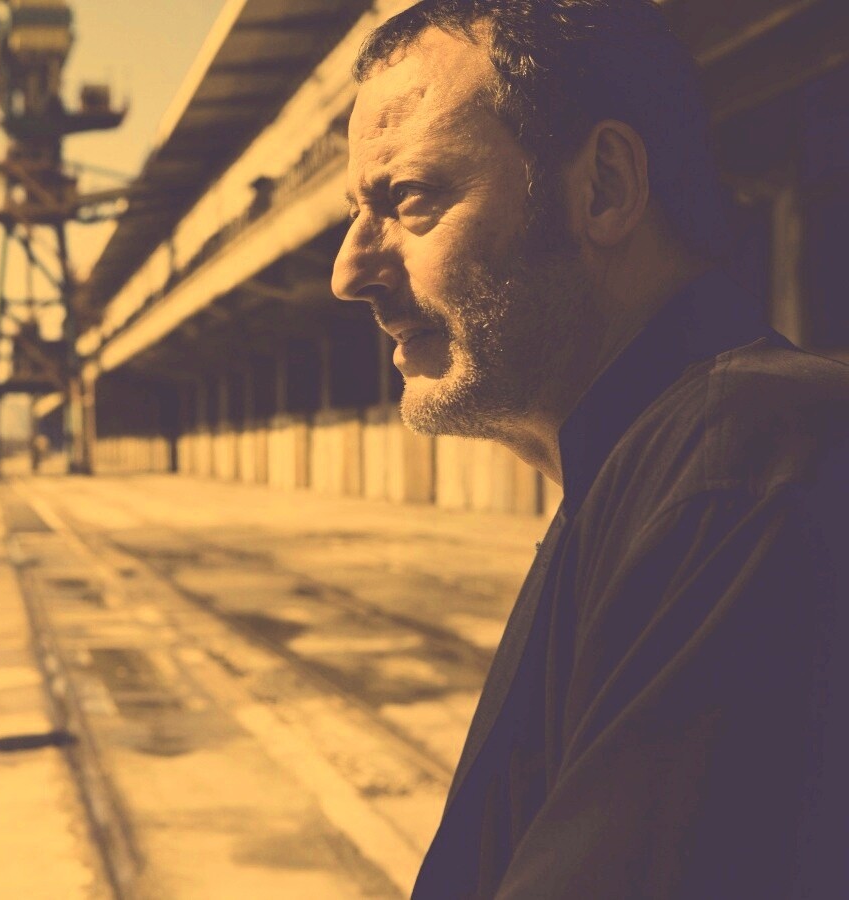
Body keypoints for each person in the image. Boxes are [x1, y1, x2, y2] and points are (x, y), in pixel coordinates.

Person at [331, 1, 849, 896]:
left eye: (408, 199)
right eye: (356, 212)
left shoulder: (740, 480)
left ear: (604, 188)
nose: (349, 272)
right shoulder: (643, 471)